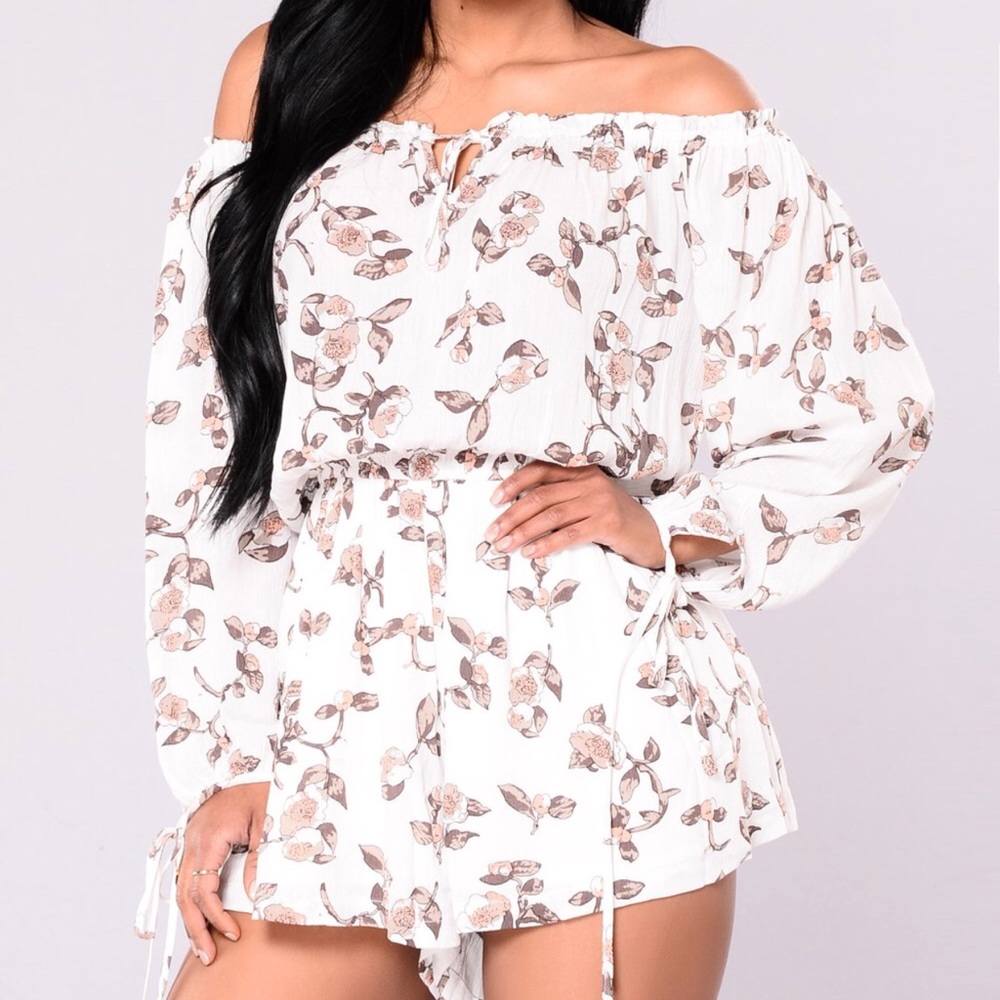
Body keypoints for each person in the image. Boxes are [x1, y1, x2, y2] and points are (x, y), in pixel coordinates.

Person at [133, 3, 936, 999]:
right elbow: (204, 436)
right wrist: (234, 753)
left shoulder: (683, 101)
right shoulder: (287, 72)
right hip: (338, 715)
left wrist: (667, 525)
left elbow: (862, 403)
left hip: (597, 714)